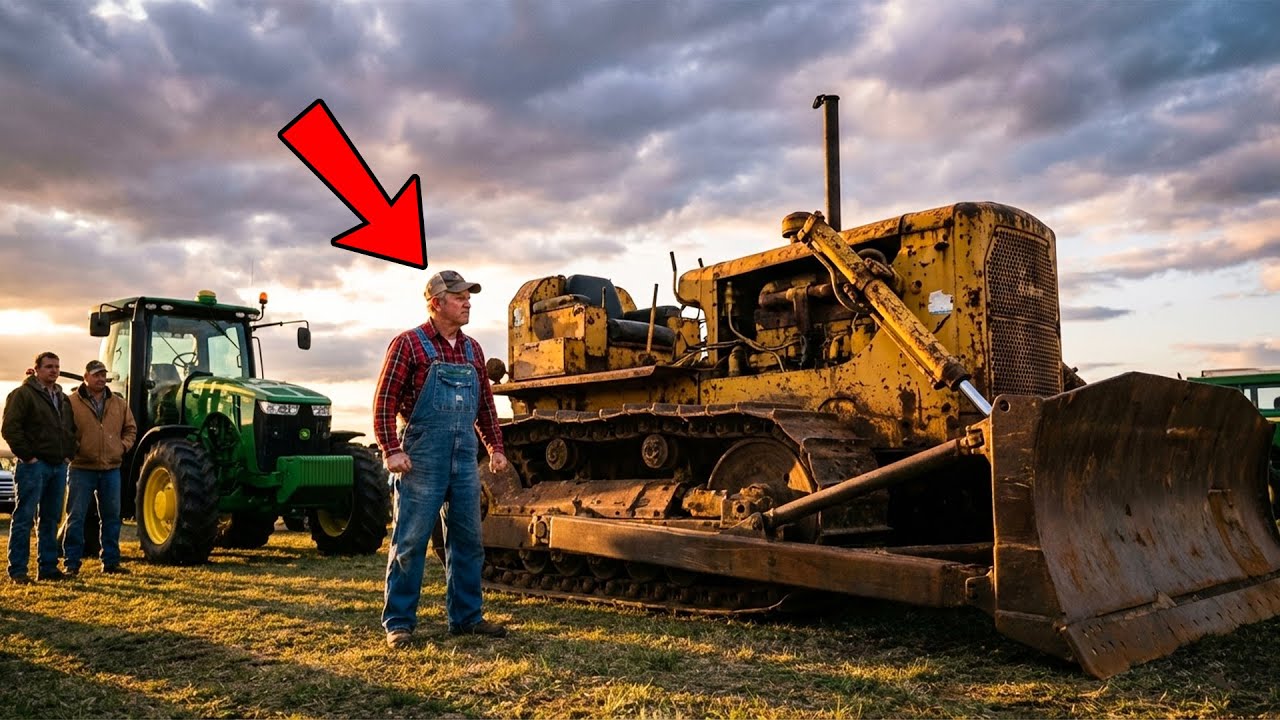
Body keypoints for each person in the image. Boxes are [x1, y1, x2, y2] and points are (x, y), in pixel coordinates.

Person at [374, 270, 511, 648]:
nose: (467, 302)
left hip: (464, 455)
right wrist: (391, 449)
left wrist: (495, 448)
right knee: (411, 539)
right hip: (421, 457)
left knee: (468, 541)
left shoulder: (473, 350)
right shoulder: (409, 344)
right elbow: (384, 400)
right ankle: (399, 622)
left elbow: (484, 404)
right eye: (459, 297)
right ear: (436, 302)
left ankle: (466, 618)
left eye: (469, 296)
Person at [2, 352, 77, 583]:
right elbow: (10, 429)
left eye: (56, 366)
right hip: (33, 466)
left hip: (58, 466)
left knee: (50, 518)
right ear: (36, 370)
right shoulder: (22, 395)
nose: (53, 370)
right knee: (24, 517)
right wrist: (28, 457)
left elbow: (70, 429)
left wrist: (68, 455)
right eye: (48, 367)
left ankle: (48, 568)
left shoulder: (62, 398)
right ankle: (18, 571)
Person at [64, 359, 137, 576]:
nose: (101, 378)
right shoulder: (71, 402)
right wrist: (76, 448)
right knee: (75, 516)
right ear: (85, 377)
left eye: (103, 374)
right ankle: (71, 563)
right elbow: (64, 430)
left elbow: (130, 429)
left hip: (111, 469)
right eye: (96, 375)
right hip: (81, 468)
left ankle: (111, 562)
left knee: (112, 517)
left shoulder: (119, 403)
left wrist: (121, 448)